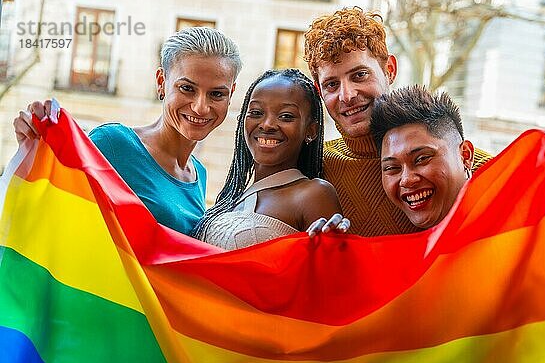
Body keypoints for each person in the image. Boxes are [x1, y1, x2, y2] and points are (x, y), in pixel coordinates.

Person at [303, 7, 545, 237]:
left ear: (389, 69)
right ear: (319, 91)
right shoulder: (316, 166)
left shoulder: (448, 155)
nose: (347, 95)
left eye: (359, 75)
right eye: (331, 84)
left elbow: (536, 193)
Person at [369, 85, 545, 341]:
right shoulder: (401, 259)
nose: (407, 179)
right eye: (391, 168)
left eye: (422, 158)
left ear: (466, 156)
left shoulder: (530, 237)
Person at [12, 26, 242, 235]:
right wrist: (35, 150)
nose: (201, 107)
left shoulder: (199, 174)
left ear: (231, 94)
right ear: (161, 82)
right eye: (187, 88)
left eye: (216, 94)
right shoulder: (113, 144)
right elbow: (52, 211)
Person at [193, 69, 347, 250]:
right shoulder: (233, 197)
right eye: (256, 113)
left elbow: (330, 272)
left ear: (311, 131)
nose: (267, 125)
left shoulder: (314, 194)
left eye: (286, 116)